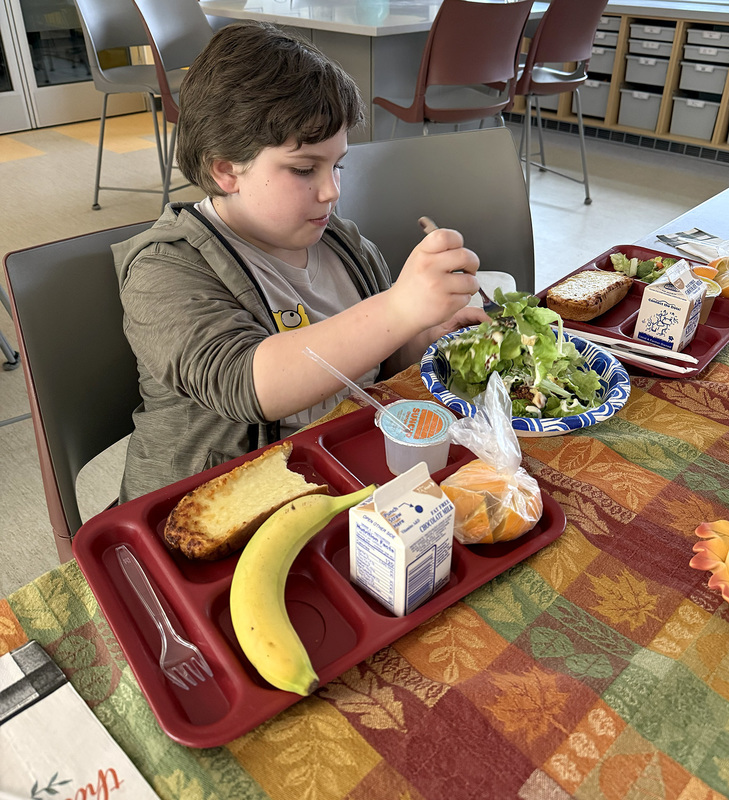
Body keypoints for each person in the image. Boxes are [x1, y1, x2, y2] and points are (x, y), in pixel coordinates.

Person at [113, 21, 487, 503]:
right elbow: (248, 384)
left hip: (342, 469)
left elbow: (375, 361)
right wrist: (398, 309)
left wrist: (422, 330)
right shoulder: (163, 268)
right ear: (225, 169)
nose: (332, 190)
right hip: (214, 504)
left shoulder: (343, 244)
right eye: (305, 168)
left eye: (339, 165)